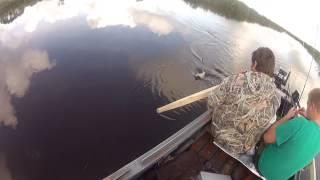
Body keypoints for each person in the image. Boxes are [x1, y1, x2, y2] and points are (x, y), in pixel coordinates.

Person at [208, 47, 281, 156]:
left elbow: (211, 101)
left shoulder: (237, 78)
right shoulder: (276, 98)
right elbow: (267, 124)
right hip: (241, 148)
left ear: (255, 64)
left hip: (217, 135)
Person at [258, 88, 320, 180]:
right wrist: (308, 117)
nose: (306, 108)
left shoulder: (300, 123)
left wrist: (287, 116)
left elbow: (266, 138)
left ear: (312, 106)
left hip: (264, 168)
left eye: (307, 104)